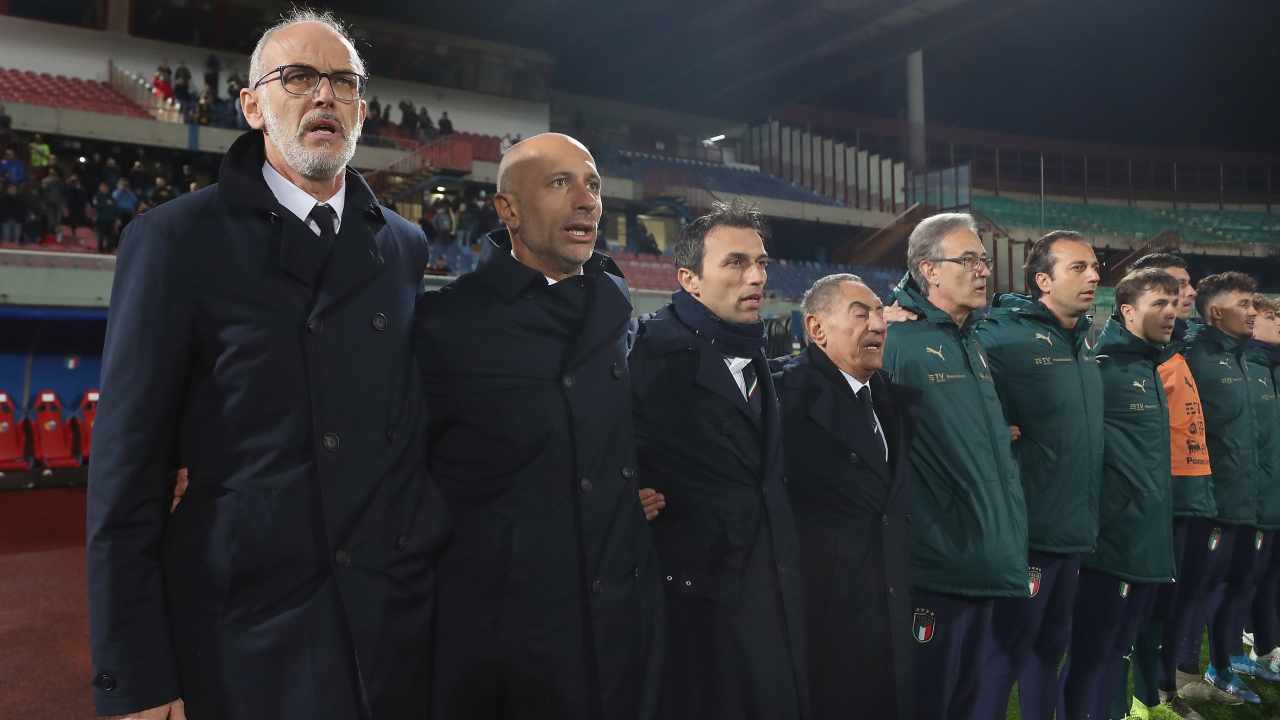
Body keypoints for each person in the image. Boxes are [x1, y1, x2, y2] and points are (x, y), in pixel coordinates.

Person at [86, 10, 447, 720]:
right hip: (244, 633)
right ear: (252, 105)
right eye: (298, 77)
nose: (324, 96)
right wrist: (133, 676)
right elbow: (127, 477)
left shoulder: (403, 245)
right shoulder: (175, 240)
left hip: (385, 624)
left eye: (344, 82)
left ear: (362, 110)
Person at [415, 132, 663, 719]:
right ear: (509, 210)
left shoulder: (619, 317)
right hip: (504, 644)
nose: (587, 201)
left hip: (618, 628)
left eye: (593, 186)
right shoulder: (447, 323)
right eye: (560, 184)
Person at [631, 199, 808, 720]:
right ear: (690, 278)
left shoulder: (752, 348)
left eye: (761, 263)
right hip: (693, 608)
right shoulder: (649, 352)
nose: (755, 276)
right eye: (735, 263)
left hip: (764, 591)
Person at [879, 212, 1028, 720]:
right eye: (967, 259)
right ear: (929, 270)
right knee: (928, 699)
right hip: (937, 561)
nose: (983, 269)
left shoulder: (970, 341)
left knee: (969, 697)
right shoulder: (897, 341)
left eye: (983, 259)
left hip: (983, 555)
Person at [970, 231, 1104, 720]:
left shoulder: (1082, 340)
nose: (1093, 276)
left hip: (1072, 528)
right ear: (1042, 280)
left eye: (1094, 266)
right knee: (1003, 653)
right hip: (1027, 532)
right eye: (1078, 268)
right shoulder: (1001, 337)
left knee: (1050, 649)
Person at [774, 273, 918, 718]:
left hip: (889, 606)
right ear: (816, 329)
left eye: (880, 314)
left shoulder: (895, 402)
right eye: (862, 314)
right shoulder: (783, 399)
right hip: (824, 616)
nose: (878, 325)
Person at [1060, 268, 1180, 720]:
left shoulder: (1146, 363)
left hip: (1143, 536)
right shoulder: (1103, 366)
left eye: (1173, 303)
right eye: (1159, 304)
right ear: (1127, 310)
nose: (1171, 313)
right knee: (1093, 656)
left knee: (1118, 652)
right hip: (1112, 542)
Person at [1121, 253, 1218, 719]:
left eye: (1181, 288)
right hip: (1163, 500)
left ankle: (1164, 690)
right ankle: (1147, 697)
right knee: (1149, 611)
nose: (1183, 296)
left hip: (1192, 495)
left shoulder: (1180, 351)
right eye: (1168, 290)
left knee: (1176, 604)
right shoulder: (1138, 359)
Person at [1181, 271, 1266, 703]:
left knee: (1236, 584)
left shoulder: (1245, 358)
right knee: (1200, 591)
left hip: (1244, 498)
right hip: (1210, 502)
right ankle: (1180, 678)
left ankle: (1223, 664)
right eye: (1245, 305)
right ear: (1216, 312)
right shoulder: (1193, 354)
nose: (1253, 312)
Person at [1246, 295, 1280, 678]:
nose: (1278, 322)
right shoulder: (1245, 365)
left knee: (1272, 578)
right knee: (1253, 579)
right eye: (1270, 316)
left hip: (1274, 493)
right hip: (1254, 496)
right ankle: (1261, 646)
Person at [90, 180, 117, 252]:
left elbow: (115, 207)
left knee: (110, 236)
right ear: (100, 188)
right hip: (100, 219)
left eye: (106, 187)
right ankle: (100, 249)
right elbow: (95, 206)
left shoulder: (111, 197)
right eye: (103, 187)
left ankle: (109, 249)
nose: (105, 188)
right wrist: (106, 204)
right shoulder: (97, 196)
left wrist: (116, 218)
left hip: (110, 219)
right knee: (101, 235)